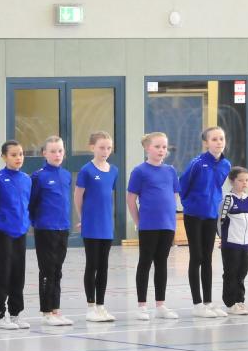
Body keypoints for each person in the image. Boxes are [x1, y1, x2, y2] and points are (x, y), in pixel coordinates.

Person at [127, 132, 181, 320]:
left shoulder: (170, 171)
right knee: (145, 262)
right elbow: (131, 199)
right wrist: (138, 221)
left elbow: (174, 195)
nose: (161, 150)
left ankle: (160, 305)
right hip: (148, 225)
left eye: (164, 147)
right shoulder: (139, 171)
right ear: (147, 148)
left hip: (167, 225)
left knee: (162, 263)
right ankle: (142, 306)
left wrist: (170, 218)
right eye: (157, 146)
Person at [180, 127, 231, 318]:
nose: (219, 142)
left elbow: (217, 187)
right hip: (194, 215)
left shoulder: (226, 164)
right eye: (214, 139)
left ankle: (208, 302)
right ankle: (197, 304)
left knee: (208, 258)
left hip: (211, 215)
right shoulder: (197, 163)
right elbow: (183, 185)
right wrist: (190, 204)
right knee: (196, 256)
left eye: (221, 139)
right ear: (206, 143)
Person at [74, 131, 119, 323]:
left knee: (103, 266)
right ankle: (90, 306)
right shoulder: (86, 170)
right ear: (92, 147)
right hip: (91, 224)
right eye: (101, 147)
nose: (105, 151)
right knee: (92, 264)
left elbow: (107, 196)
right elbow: (78, 197)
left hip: (106, 224)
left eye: (108, 148)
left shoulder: (114, 170)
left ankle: (101, 306)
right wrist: (82, 218)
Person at [0, 140, 32, 330]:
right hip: (1, 231)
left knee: (18, 273)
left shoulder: (26, 179)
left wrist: (26, 223)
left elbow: (28, 203)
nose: (18, 158)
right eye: (13, 155)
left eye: (21, 154)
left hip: (20, 232)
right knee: (1, 273)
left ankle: (16, 313)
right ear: (4, 157)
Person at [30, 137, 72, 327]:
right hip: (45, 229)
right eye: (53, 151)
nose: (57, 155)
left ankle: (56, 309)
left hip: (63, 228)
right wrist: (36, 222)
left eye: (60, 151)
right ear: (44, 153)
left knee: (57, 270)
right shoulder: (38, 176)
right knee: (47, 270)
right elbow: (31, 202)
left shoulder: (66, 175)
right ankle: (46, 311)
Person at [219, 166, 248, 315]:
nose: (244, 183)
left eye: (247, 180)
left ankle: (240, 301)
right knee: (231, 273)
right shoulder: (228, 199)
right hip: (231, 243)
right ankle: (230, 303)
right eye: (240, 180)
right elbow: (220, 220)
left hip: (244, 244)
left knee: (242, 272)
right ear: (232, 181)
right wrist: (222, 238)